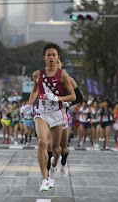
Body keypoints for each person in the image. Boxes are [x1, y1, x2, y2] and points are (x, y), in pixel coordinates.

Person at [25, 43, 76, 192]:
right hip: (42, 113)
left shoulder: (63, 75)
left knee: (55, 148)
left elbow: (73, 96)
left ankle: (55, 165)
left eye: (54, 55)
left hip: (57, 114)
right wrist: (29, 104)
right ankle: (44, 178)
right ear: (44, 58)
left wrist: (57, 99)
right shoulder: (37, 74)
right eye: (48, 55)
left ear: (58, 57)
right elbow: (35, 91)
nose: (51, 58)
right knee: (41, 142)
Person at [47, 58, 83, 178]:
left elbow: (79, 98)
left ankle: (63, 163)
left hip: (63, 116)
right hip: (48, 115)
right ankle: (49, 169)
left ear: (61, 64)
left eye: (58, 62)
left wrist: (68, 103)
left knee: (63, 147)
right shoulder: (46, 79)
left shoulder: (69, 80)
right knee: (48, 144)